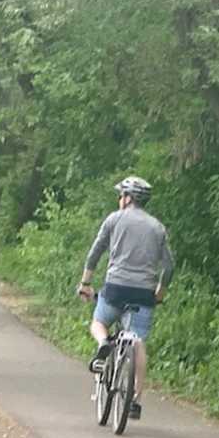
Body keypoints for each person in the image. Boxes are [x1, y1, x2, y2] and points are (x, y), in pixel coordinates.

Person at [77, 176, 175, 420]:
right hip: (143, 294)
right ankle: (135, 401)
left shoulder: (114, 219)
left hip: (115, 288)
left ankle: (103, 344)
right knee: (138, 341)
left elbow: (95, 252)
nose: (119, 199)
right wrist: (160, 292)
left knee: (99, 322)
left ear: (128, 198)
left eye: (121, 195)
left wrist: (86, 283)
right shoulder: (157, 227)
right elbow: (169, 266)